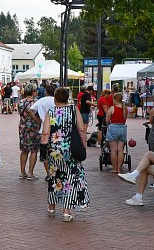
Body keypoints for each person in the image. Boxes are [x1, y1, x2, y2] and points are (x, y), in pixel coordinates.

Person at [40, 87, 89, 221]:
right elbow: (81, 130)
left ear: (55, 99)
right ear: (67, 98)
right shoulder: (74, 110)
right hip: (70, 149)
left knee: (54, 177)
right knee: (70, 178)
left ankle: (51, 207)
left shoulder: (50, 112)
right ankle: (66, 212)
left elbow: (45, 133)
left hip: (54, 150)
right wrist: (83, 146)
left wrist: (43, 151)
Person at [27, 85, 56, 181]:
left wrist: (36, 120)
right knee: (56, 152)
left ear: (46, 92)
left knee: (45, 153)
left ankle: (49, 173)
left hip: (43, 129)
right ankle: (55, 172)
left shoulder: (41, 100)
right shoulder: (56, 100)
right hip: (56, 129)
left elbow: (30, 110)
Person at [18, 83, 41, 179]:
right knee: (34, 150)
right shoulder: (37, 102)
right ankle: (30, 173)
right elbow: (39, 115)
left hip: (23, 127)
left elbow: (20, 113)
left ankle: (22, 172)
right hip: (34, 127)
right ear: (33, 92)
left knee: (24, 150)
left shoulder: (21, 102)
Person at [105, 92, 128, 173]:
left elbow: (107, 120)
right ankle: (119, 168)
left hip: (113, 128)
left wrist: (109, 125)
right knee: (120, 150)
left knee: (114, 150)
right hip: (122, 128)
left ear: (115, 99)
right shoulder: (125, 108)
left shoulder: (112, 108)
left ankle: (114, 168)